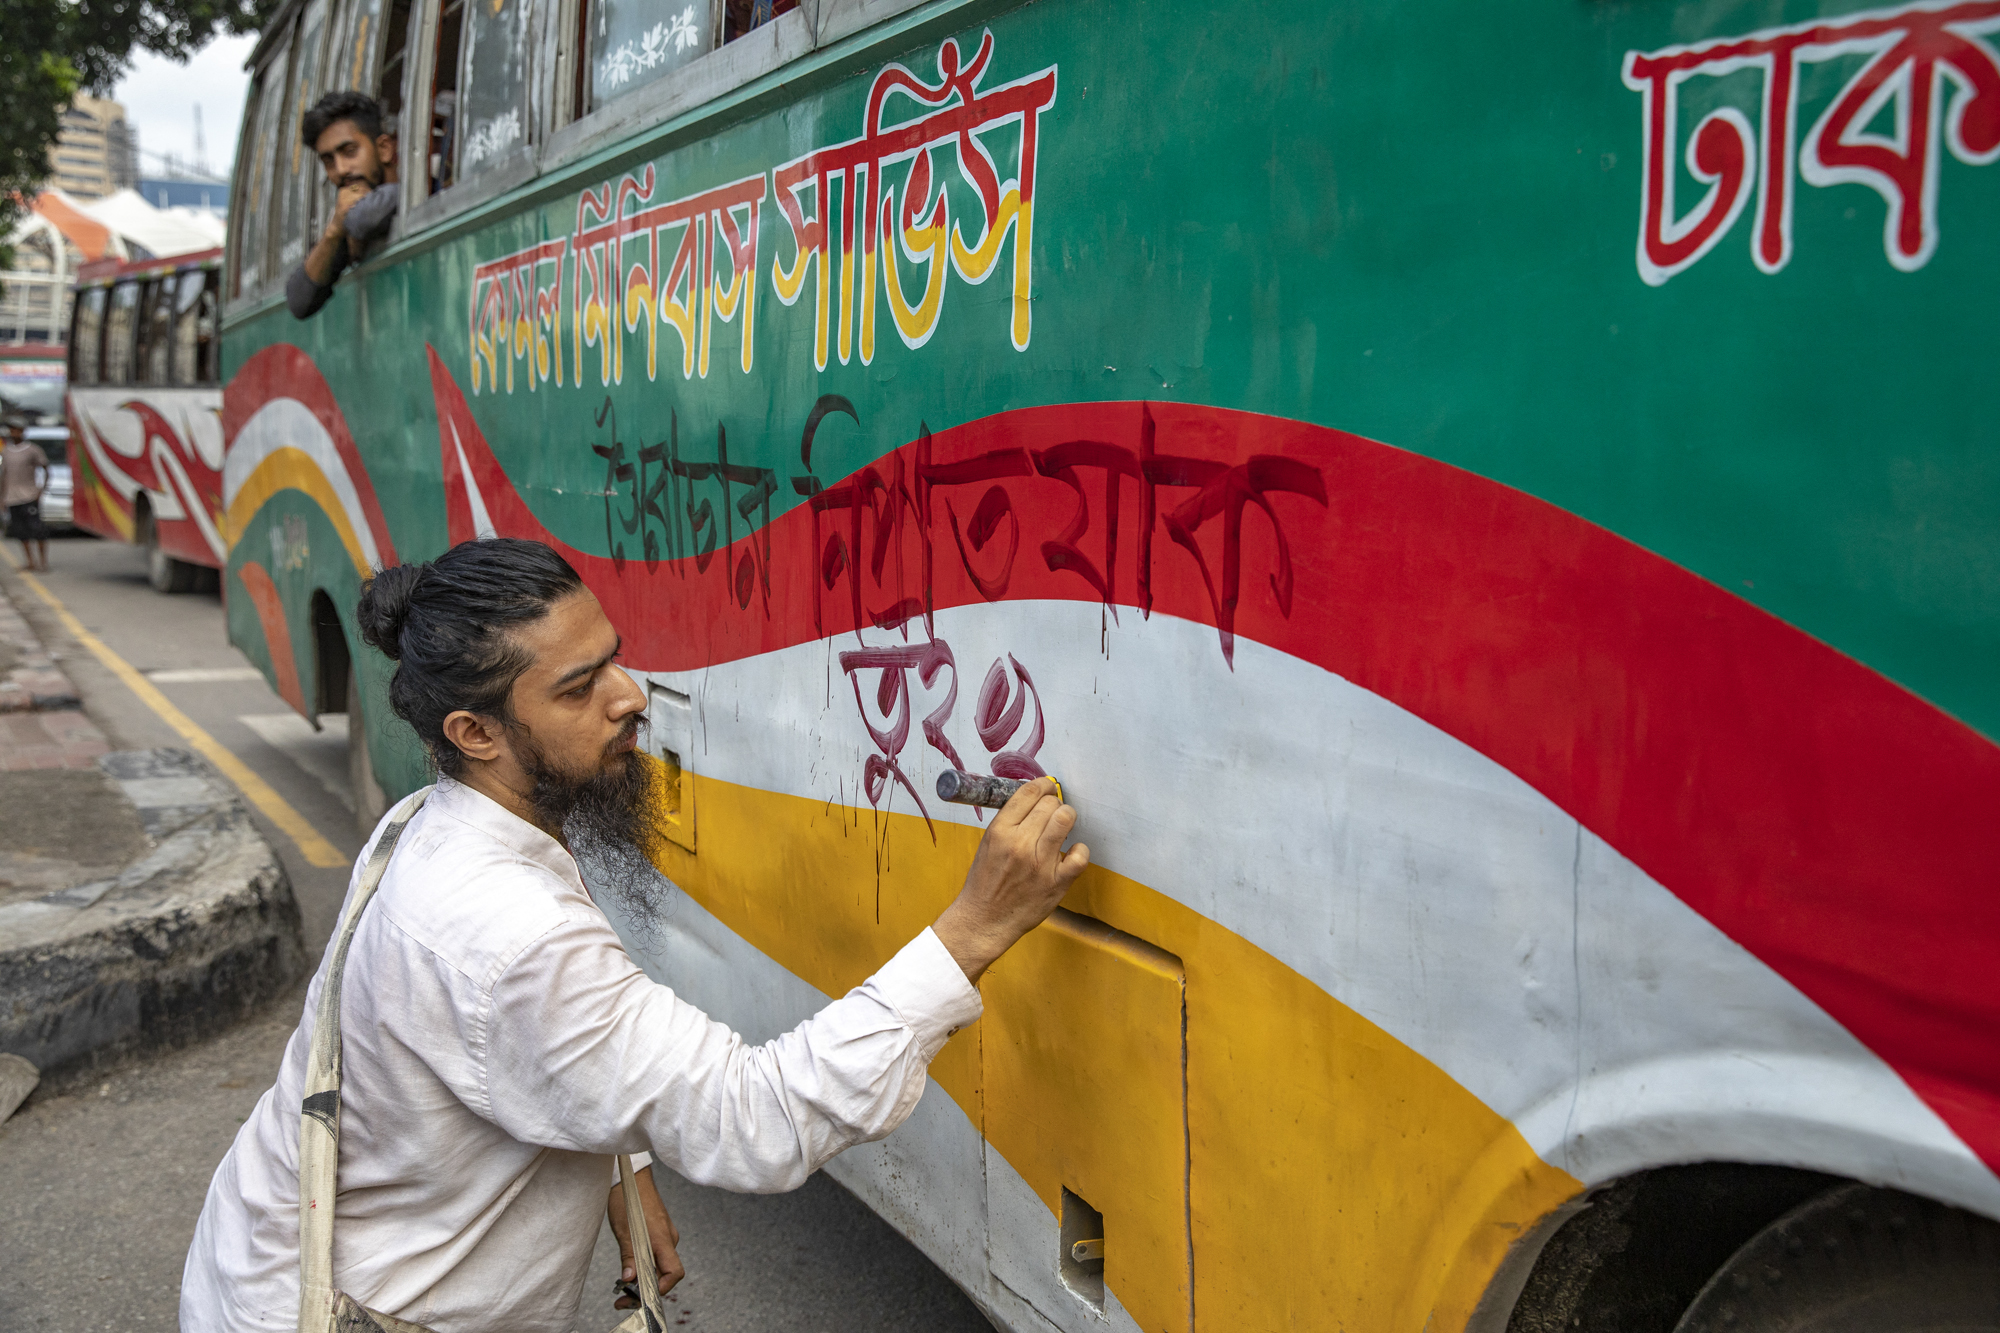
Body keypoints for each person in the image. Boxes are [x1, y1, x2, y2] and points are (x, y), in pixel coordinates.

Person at [180, 537, 1089, 1332]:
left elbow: (543, 1053)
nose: (630, 696)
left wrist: (625, 1167)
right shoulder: (510, 932)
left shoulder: (437, 818)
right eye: (580, 687)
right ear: (475, 731)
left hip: (268, 1258)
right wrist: (974, 928)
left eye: (614, 658)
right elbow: (757, 1116)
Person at [287, 90, 401, 321]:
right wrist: (333, 232)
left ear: (384, 149)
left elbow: (365, 218)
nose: (340, 170)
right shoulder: (345, 221)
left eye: (350, 152)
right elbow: (299, 301)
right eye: (328, 161)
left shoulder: (411, 190)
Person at [1, 416, 51, 572]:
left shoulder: (33, 450)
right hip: (12, 497)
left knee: (37, 529)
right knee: (21, 532)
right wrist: (2, 498)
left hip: (28, 495)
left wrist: (41, 490)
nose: (13, 433)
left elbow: (46, 468)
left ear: (23, 431)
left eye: (16, 430)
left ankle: (43, 561)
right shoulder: (6, 451)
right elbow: (4, 476)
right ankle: (30, 561)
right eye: (11, 430)